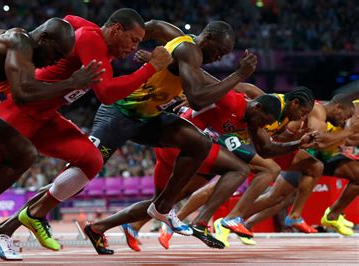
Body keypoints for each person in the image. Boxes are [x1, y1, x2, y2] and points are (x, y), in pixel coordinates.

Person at [0, 8, 173, 262]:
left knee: (91, 160)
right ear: (115, 30)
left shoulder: (85, 32)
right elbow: (107, 93)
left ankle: (33, 213)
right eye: (134, 40)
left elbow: (68, 19)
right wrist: (150, 68)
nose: (135, 48)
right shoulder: (92, 41)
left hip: (45, 117)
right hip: (15, 112)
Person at [74, 18, 261, 254]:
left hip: (149, 119)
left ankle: (161, 208)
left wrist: (146, 54)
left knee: (199, 143)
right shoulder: (189, 51)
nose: (220, 58)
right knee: (79, 175)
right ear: (208, 38)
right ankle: (19, 221)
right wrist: (239, 74)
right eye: (220, 51)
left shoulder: (181, 45)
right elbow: (198, 98)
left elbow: (150, 25)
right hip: (120, 113)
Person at [122, 86, 315, 251]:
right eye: (303, 112)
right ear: (295, 103)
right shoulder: (266, 100)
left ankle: (139, 224)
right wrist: (196, 97)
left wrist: (297, 141)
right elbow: (230, 86)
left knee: (194, 188)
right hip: (212, 135)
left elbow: (266, 147)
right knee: (267, 169)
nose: (303, 117)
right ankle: (231, 218)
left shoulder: (285, 119)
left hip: (222, 136)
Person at [237, 94, 357, 244]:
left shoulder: (339, 119)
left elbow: (349, 140)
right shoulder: (319, 110)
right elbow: (318, 140)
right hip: (302, 154)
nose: (345, 120)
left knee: (282, 197)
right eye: (347, 116)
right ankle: (234, 219)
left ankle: (332, 215)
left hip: (320, 156)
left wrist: (345, 136)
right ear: (338, 107)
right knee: (278, 198)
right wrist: (346, 133)